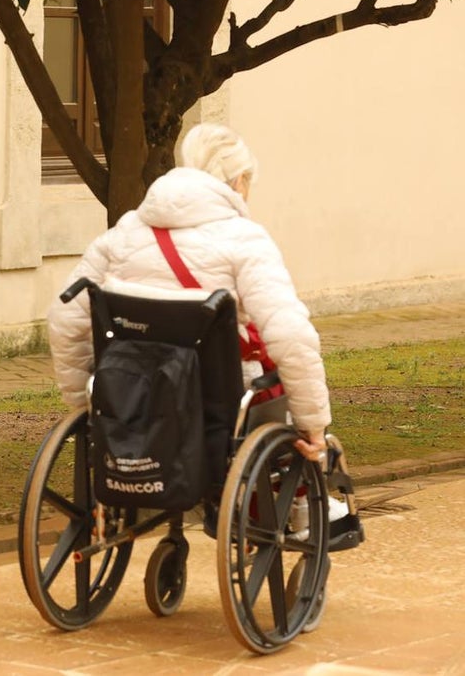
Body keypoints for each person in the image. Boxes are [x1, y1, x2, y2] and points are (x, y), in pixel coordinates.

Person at [47, 123, 330, 462]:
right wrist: (313, 424)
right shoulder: (245, 240)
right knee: (272, 374)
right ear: (239, 181)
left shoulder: (124, 233)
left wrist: (87, 401)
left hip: (132, 393)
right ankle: (299, 504)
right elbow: (290, 334)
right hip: (218, 398)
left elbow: (65, 316)